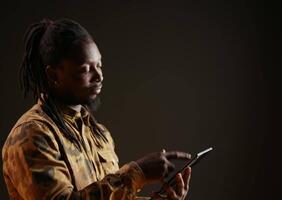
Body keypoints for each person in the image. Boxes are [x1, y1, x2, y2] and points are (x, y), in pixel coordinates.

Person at [2, 18, 192, 200]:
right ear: (53, 75)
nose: (99, 76)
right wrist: (137, 173)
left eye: (99, 65)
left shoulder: (99, 134)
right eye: (85, 69)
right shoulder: (31, 135)